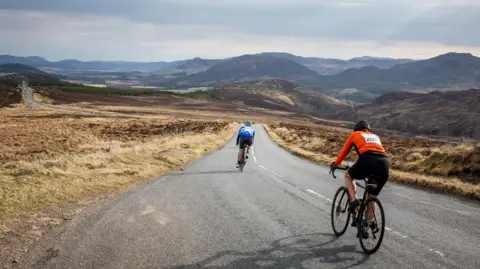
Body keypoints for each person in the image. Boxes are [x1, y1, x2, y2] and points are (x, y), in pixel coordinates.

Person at [330, 120, 389, 231]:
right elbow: (372, 151)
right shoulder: (375, 136)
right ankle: (367, 224)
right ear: (367, 129)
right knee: (372, 197)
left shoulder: (354, 134)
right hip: (384, 163)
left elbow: (345, 151)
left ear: (356, 129)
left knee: (348, 175)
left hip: (367, 160)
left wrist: (335, 163)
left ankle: (354, 201)